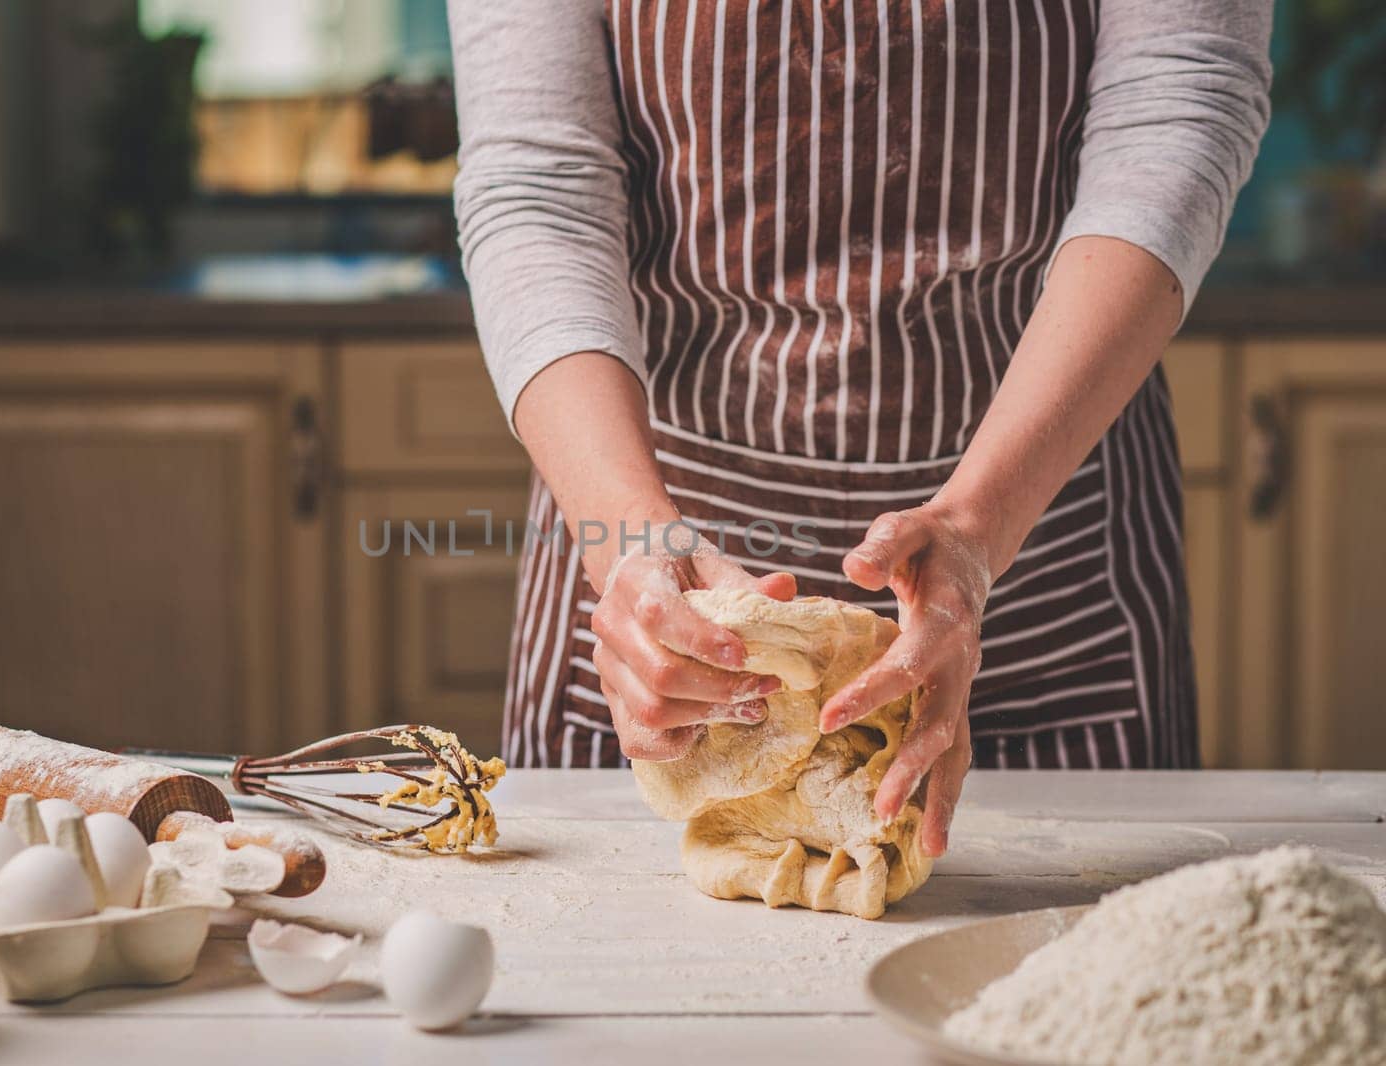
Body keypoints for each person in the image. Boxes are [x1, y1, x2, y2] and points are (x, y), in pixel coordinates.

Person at [449, 0, 1271, 857]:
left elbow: (1178, 107)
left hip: (1047, 569)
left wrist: (976, 529)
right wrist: (628, 537)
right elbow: (539, 183)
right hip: (652, 561)